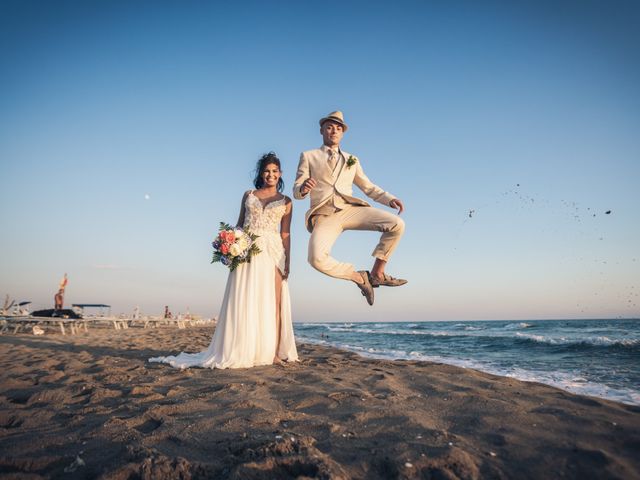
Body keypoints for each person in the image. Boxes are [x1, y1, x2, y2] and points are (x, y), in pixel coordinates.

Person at [150, 152, 298, 369]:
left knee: (273, 303)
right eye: (267, 171)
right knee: (244, 298)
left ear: (280, 174)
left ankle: (273, 353)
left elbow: (285, 234)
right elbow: (239, 224)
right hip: (248, 250)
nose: (271, 174)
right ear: (261, 173)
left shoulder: (286, 202)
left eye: (275, 171)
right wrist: (229, 243)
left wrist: (288, 261)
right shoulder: (249, 195)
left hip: (274, 253)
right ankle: (241, 347)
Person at [293, 111, 406, 306]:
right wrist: (303, 189)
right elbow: (296, 189)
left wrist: (389, 199)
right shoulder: (309, 156)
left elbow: (368, 187)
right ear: (321, 130)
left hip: (350, 209)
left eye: (338, 128)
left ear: (343, 133)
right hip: (325, 215)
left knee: (397, 224)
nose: (333, 131)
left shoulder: (352, 159)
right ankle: (359, 277)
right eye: (329, 127)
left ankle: (377, 273)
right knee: (315, 259)